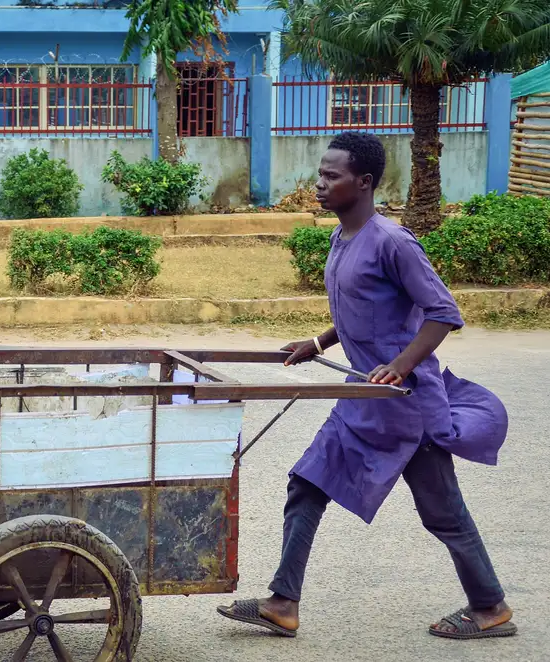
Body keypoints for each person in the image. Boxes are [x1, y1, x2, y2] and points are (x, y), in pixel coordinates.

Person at [217, 132, 515, 640]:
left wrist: (399, 367)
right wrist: (320, 341)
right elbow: (363, 309)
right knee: (307, 484)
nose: (319, 184)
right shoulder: (341, 238)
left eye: (331, 177)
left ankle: (491, 607)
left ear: (365, 182)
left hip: (404, 405)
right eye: (320, 174)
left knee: (442, 513)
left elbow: (444, 314)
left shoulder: (393, 242)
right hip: (362, 399)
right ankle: (283, 602)